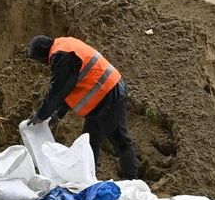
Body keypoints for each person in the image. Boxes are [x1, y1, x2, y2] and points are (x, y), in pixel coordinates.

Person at [26, 35, 139, 179]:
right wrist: (57, 114)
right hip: (101, 99)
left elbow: (59, 91)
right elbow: (70, 87)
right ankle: (88, 179)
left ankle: (132, 181)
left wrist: (41, 115)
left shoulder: (61, 56)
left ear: (41, 56)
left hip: (109, 94)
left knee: (120, 140)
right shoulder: (64, 46)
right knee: (90, 143)